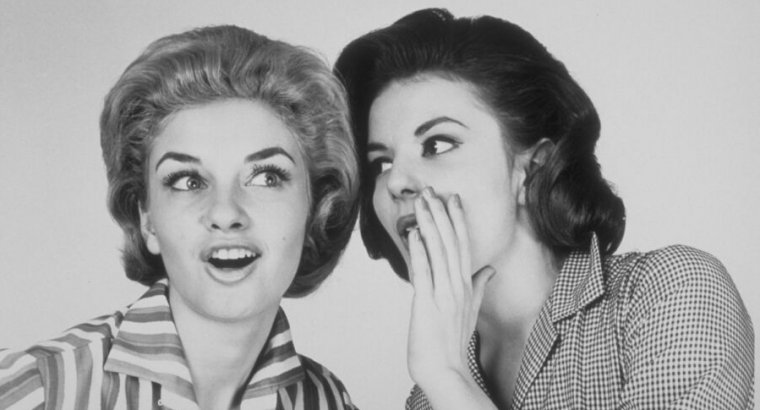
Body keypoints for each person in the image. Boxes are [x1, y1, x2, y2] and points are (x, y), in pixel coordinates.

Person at [335, 8, 753, 410]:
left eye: (437, 144)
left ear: (532, 168)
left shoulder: (670, 293)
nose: (394, 181)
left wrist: (447, 378)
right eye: (381, 163)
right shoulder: (429, 396)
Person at [0, 25, 358, 410]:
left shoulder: (326, 401)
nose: (225, 213)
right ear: (147, 219)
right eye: (187, 181)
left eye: (267, 177)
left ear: (315, 209)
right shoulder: (39, 389)